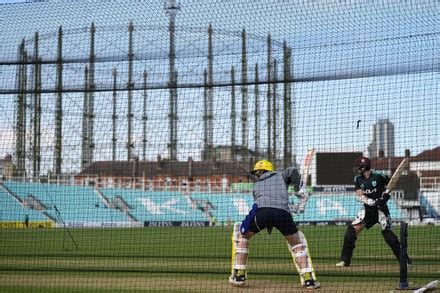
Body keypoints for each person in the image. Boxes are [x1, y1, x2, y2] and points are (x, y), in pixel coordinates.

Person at [229, 160, 320, 289]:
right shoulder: (281, 175)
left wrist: (246, 224)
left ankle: (239, 275)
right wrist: (299, 190)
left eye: (258, 172)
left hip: (262, 213)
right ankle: (308, 279)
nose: (257, 175)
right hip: (283, 213)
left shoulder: (256, 186)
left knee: (242, 237)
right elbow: (293, 171)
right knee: (296, 243)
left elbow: (256, 207)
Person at [336, 156, 411, 267]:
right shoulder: (357, 179)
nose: (357, 169)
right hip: (367, 210)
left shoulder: (379, 176)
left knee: (388, 235)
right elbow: (359, 194)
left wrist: (385, 197)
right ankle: (345, 260)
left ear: (365, 167)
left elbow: (392, 185)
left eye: (359, 167)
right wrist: (371, 202)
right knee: (351, 231)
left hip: (381, 210)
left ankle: (405, 261)